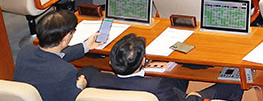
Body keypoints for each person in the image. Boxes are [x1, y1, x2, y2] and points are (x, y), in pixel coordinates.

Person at [87, 31, 243, 101]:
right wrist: (194, 96)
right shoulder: (157, 87)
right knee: (234, 84)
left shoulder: (92, 77)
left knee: (177, 76)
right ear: (143, 62)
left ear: (110, 61)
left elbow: (85, 72)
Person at [13, 9, 100, 101]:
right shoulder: (66, 72)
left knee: (90, 70)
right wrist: (80, 87)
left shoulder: (25, 52)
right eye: (72, 32)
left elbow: (54, 57)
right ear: (66, 38)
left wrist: (85, 46)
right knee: (92, 72)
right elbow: (73, 98)